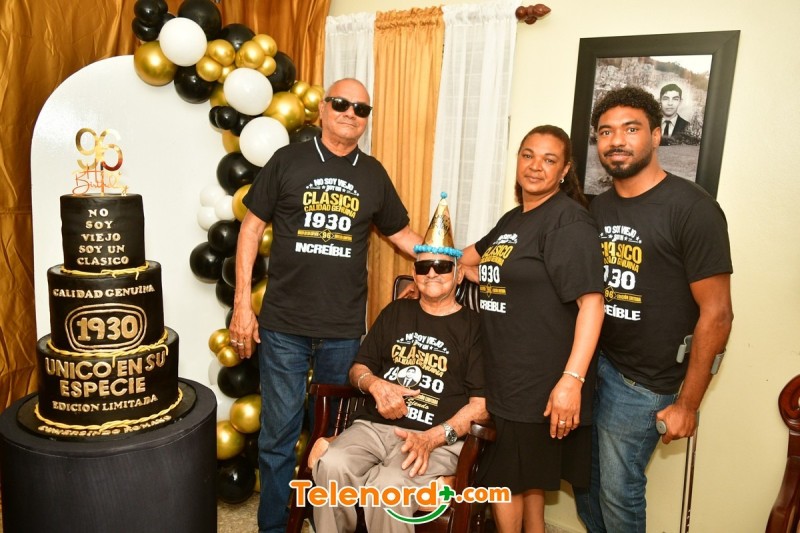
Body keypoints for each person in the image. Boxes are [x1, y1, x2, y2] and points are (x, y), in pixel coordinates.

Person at [228, 78, 422, 533]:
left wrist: (450, 261)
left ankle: (324, 522)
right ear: (322, 108)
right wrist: (243, 305)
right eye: (341, 103)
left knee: (335, 440)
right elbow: (250, 229)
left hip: (342, 331)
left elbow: (402, 236)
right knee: (278, 437)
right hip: (283, 327)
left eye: (361, 109)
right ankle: (275, 527)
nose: (351, 113)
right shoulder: (287, 160)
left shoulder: (372, 173)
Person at [574, 86, 733, 533]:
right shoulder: (598, 207)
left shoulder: (693, 208)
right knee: (585, 487)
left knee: (618, 495)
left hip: (642, 385)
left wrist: (688, 404)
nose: (616, 141)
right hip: (597, 368)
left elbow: (718, 314)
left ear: (657, 135)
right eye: (606, 131)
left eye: (631, 129)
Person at [311, 195, 487, 533]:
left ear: (458, 275)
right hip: (373, 427)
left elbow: (480, 406)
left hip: (434, 436)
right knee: (332, 463)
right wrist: (375, 384)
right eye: (423, 267)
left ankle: (439, 481)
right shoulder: (396, 312)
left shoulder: (474, 327)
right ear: (414, 273)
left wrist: (434, 437)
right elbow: (358, 369)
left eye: (442, 267)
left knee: (387, 488)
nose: (431, 273)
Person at [460, 125, 605, 533]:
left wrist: (571, 381)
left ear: (565, 170)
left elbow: (593, 305)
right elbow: (469, 258)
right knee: (528, 475)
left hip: (539, 378)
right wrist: (448, 271)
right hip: (505, 373)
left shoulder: (568, 221)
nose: (535, 166)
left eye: (549, 159)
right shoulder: (514, 218)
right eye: (528, 155)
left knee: (505, 480)